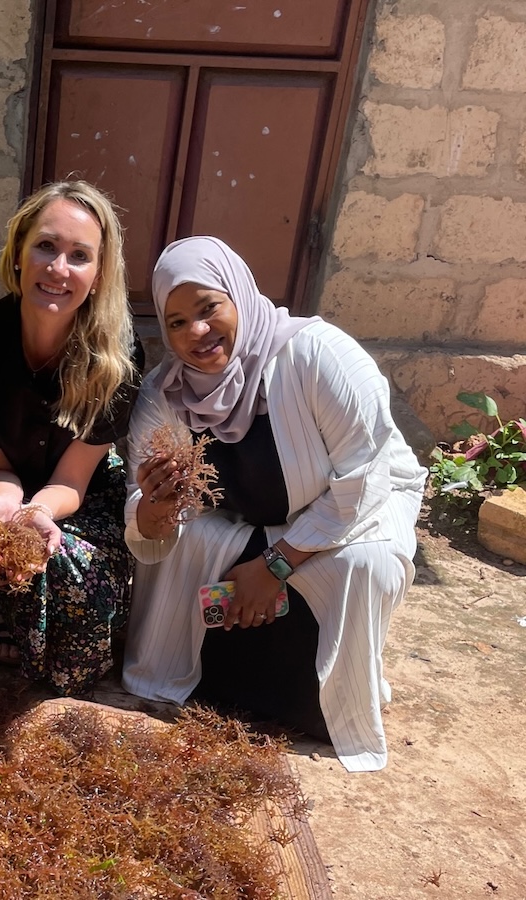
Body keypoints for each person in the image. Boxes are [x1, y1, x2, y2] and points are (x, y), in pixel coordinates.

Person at [121, 235, 426, 772]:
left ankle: (326, 703)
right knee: (185, 546)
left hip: (350, 516)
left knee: (365, 564)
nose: (197, 332)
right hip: (246, 519)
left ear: (239, 296)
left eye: (209, 308)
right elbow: (146, 517)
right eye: (177, 321)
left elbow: (364, 482)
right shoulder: (166, 394)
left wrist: (274, 565)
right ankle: (207, 679)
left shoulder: (319, 356)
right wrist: (155, 508)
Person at [0, 181, 142, 697]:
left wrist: (38, 512)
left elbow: (72, 480)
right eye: (46, 246)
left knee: (75, 620)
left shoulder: (118, 359)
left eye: (80, 256)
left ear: (99, 274)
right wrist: (7, 505)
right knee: (4, 542)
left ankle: (37, 600)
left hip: (78, 492)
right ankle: (3, 597)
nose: (58, 268)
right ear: (18, 253)